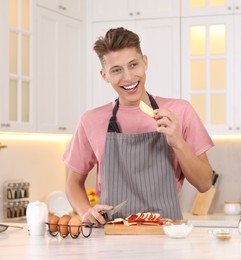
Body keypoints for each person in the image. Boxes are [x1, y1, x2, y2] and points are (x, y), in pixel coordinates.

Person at [63, 27, 214, 226]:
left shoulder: (180, 111)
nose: (128, 77)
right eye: (116, 70)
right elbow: (72, 182)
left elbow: (204, 184)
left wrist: (177, 141)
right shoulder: (90, 120)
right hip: (113, 236)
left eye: (133, 65)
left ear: (145, 62)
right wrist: (85, 212)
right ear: (104, 75)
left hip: (168, 235)